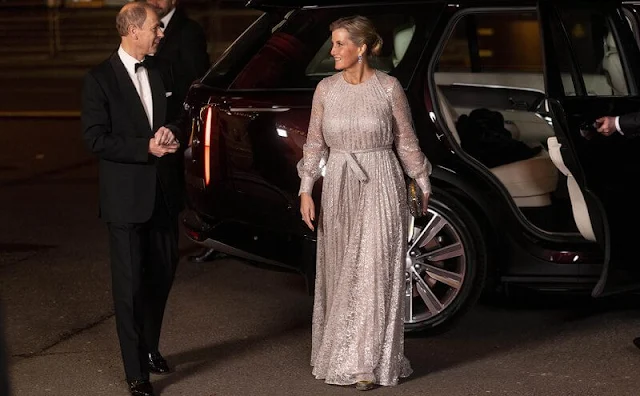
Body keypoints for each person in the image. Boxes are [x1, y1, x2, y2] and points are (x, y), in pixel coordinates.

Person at [298, 15, 432, 391]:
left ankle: (366, 364)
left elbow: (405, 140)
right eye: (333, 43)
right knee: (343, 271)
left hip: (381, 181)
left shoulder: (389, 88)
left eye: (340, 44)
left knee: (374, 270)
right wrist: (306, 188)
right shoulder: (325, 89)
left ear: (362, 48)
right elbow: (313, 143)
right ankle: (341, 353)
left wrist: (421, 179)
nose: (333, 51)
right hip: (339, 180)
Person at [81, 3, 185, 395]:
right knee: (129, 287)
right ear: (132, 30)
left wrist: (171, 133)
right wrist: (145, 147)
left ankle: (150, 347)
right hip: (125, 200)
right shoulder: (98, 79)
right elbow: (95, 138)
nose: (161, 33)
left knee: (161, 276)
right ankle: (135, 371)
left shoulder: (161, 69)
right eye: (156, 28)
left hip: (162, 195)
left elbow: (178, 116)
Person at [145, 0, 215, 263]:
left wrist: (182, 118)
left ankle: (204, 238)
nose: (153, 1)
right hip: (155, 118)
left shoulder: (189, 31)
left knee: (182, 184)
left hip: (178, 118)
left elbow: (196, 77)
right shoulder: (144, 25)